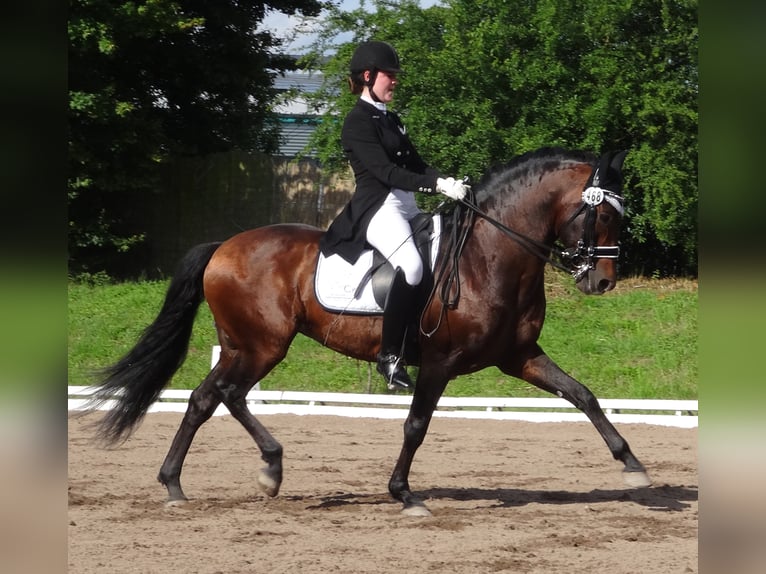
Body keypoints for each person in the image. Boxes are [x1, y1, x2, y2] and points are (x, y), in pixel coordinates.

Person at [319, 40, 469, 391]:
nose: (395, 81)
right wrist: (436, 187)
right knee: (412, 267)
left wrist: (446, 179)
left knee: (439, 256)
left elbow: (415, 165)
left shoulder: (391, 119)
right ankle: (390, 355)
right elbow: (386, 173)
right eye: (390, 75)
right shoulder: (357, 122)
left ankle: (421, 335)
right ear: (368, 76)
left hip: (406, 205)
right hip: (377, 208)